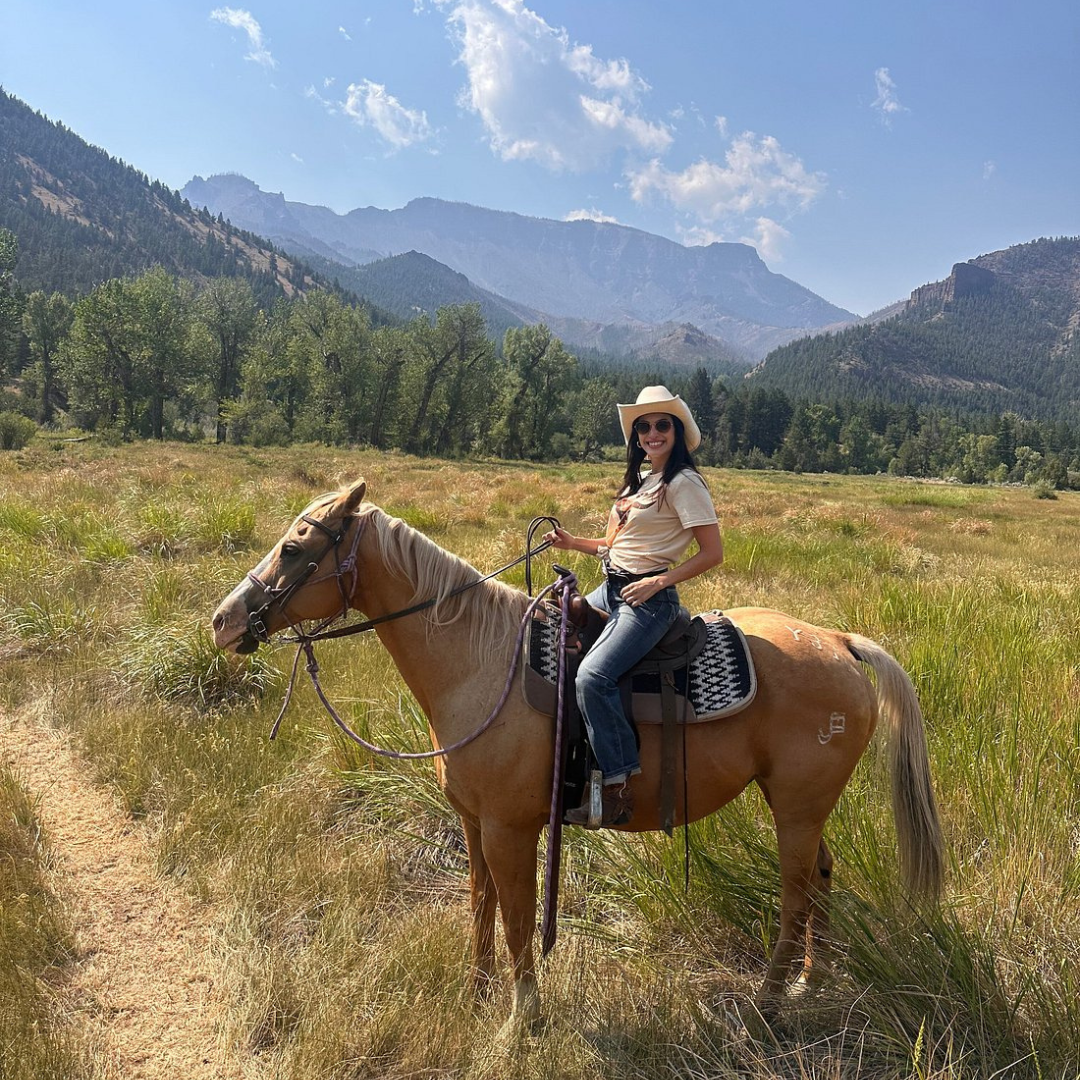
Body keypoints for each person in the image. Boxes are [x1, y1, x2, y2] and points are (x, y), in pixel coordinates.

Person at [545, 385, 723, 828]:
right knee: (549, 629)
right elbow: (611, 546)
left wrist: (659, 581)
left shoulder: (684, 483)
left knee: (593, 677)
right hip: (612, 587)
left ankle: (619, 784)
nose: (652, 432)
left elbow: (712, 552)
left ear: (677, 431)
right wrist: (573, 543)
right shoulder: (640, 482)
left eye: (662, 424)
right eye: (644, 426)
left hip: (650, 600)